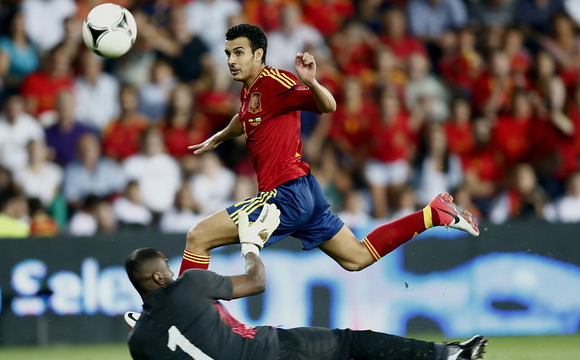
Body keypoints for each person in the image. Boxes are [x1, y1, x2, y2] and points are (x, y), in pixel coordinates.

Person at [180, 24, 479, 275]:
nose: (231, 60)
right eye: (228, 54)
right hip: (304, 191)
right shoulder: (249, 89)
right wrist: (219, 136)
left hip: (284, 195)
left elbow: (328, 105)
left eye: (239, 53)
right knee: (357, 258)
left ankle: (174, 316)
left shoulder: (274, 82)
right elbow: (245, 117)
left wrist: (311, 82)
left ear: (258, 54)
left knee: (199, 236)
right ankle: (433, 214)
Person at [125, 204, 488, 360]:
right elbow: (256, 281)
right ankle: (444, 355)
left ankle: (430, 214)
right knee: (350, 340)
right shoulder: (189, 286)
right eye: (167, 270)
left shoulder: (139, 341)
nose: (173, 273)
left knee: (356, 257)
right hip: (272, 350)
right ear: (158, 276)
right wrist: (251, 243)